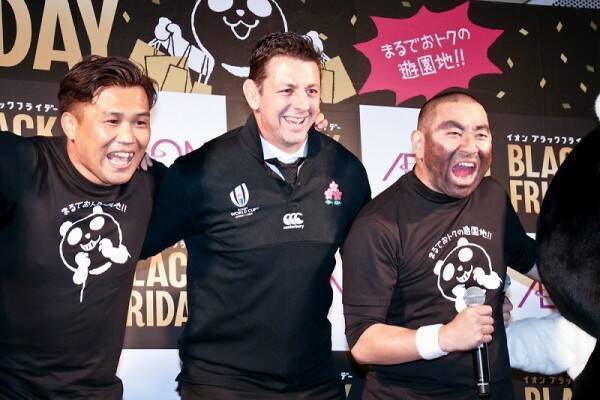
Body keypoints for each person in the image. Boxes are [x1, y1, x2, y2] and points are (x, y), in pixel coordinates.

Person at [141, 32, 371, 399]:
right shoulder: (200, 172)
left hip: (314, 382)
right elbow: (132, 244)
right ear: (253, 94)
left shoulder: (346, 171)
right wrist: (126, 170)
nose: (302, 104)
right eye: (287, 90)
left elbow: (375, 265)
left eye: (311, 91)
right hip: (223, 384)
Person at [342, 91, 540, 399]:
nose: (470, 146)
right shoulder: (380, 223)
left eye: (481, 134)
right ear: (419, 144)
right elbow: (364, 343)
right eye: (454, 133)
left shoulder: (492, 197)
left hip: (494, 389)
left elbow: (533, 261)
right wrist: (444, 338)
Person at [0, 55, 159, 399]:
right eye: (112, 121)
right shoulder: (20, 165)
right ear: (71, 126)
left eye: (140, 122)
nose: (128, 137)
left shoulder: (150, 185)